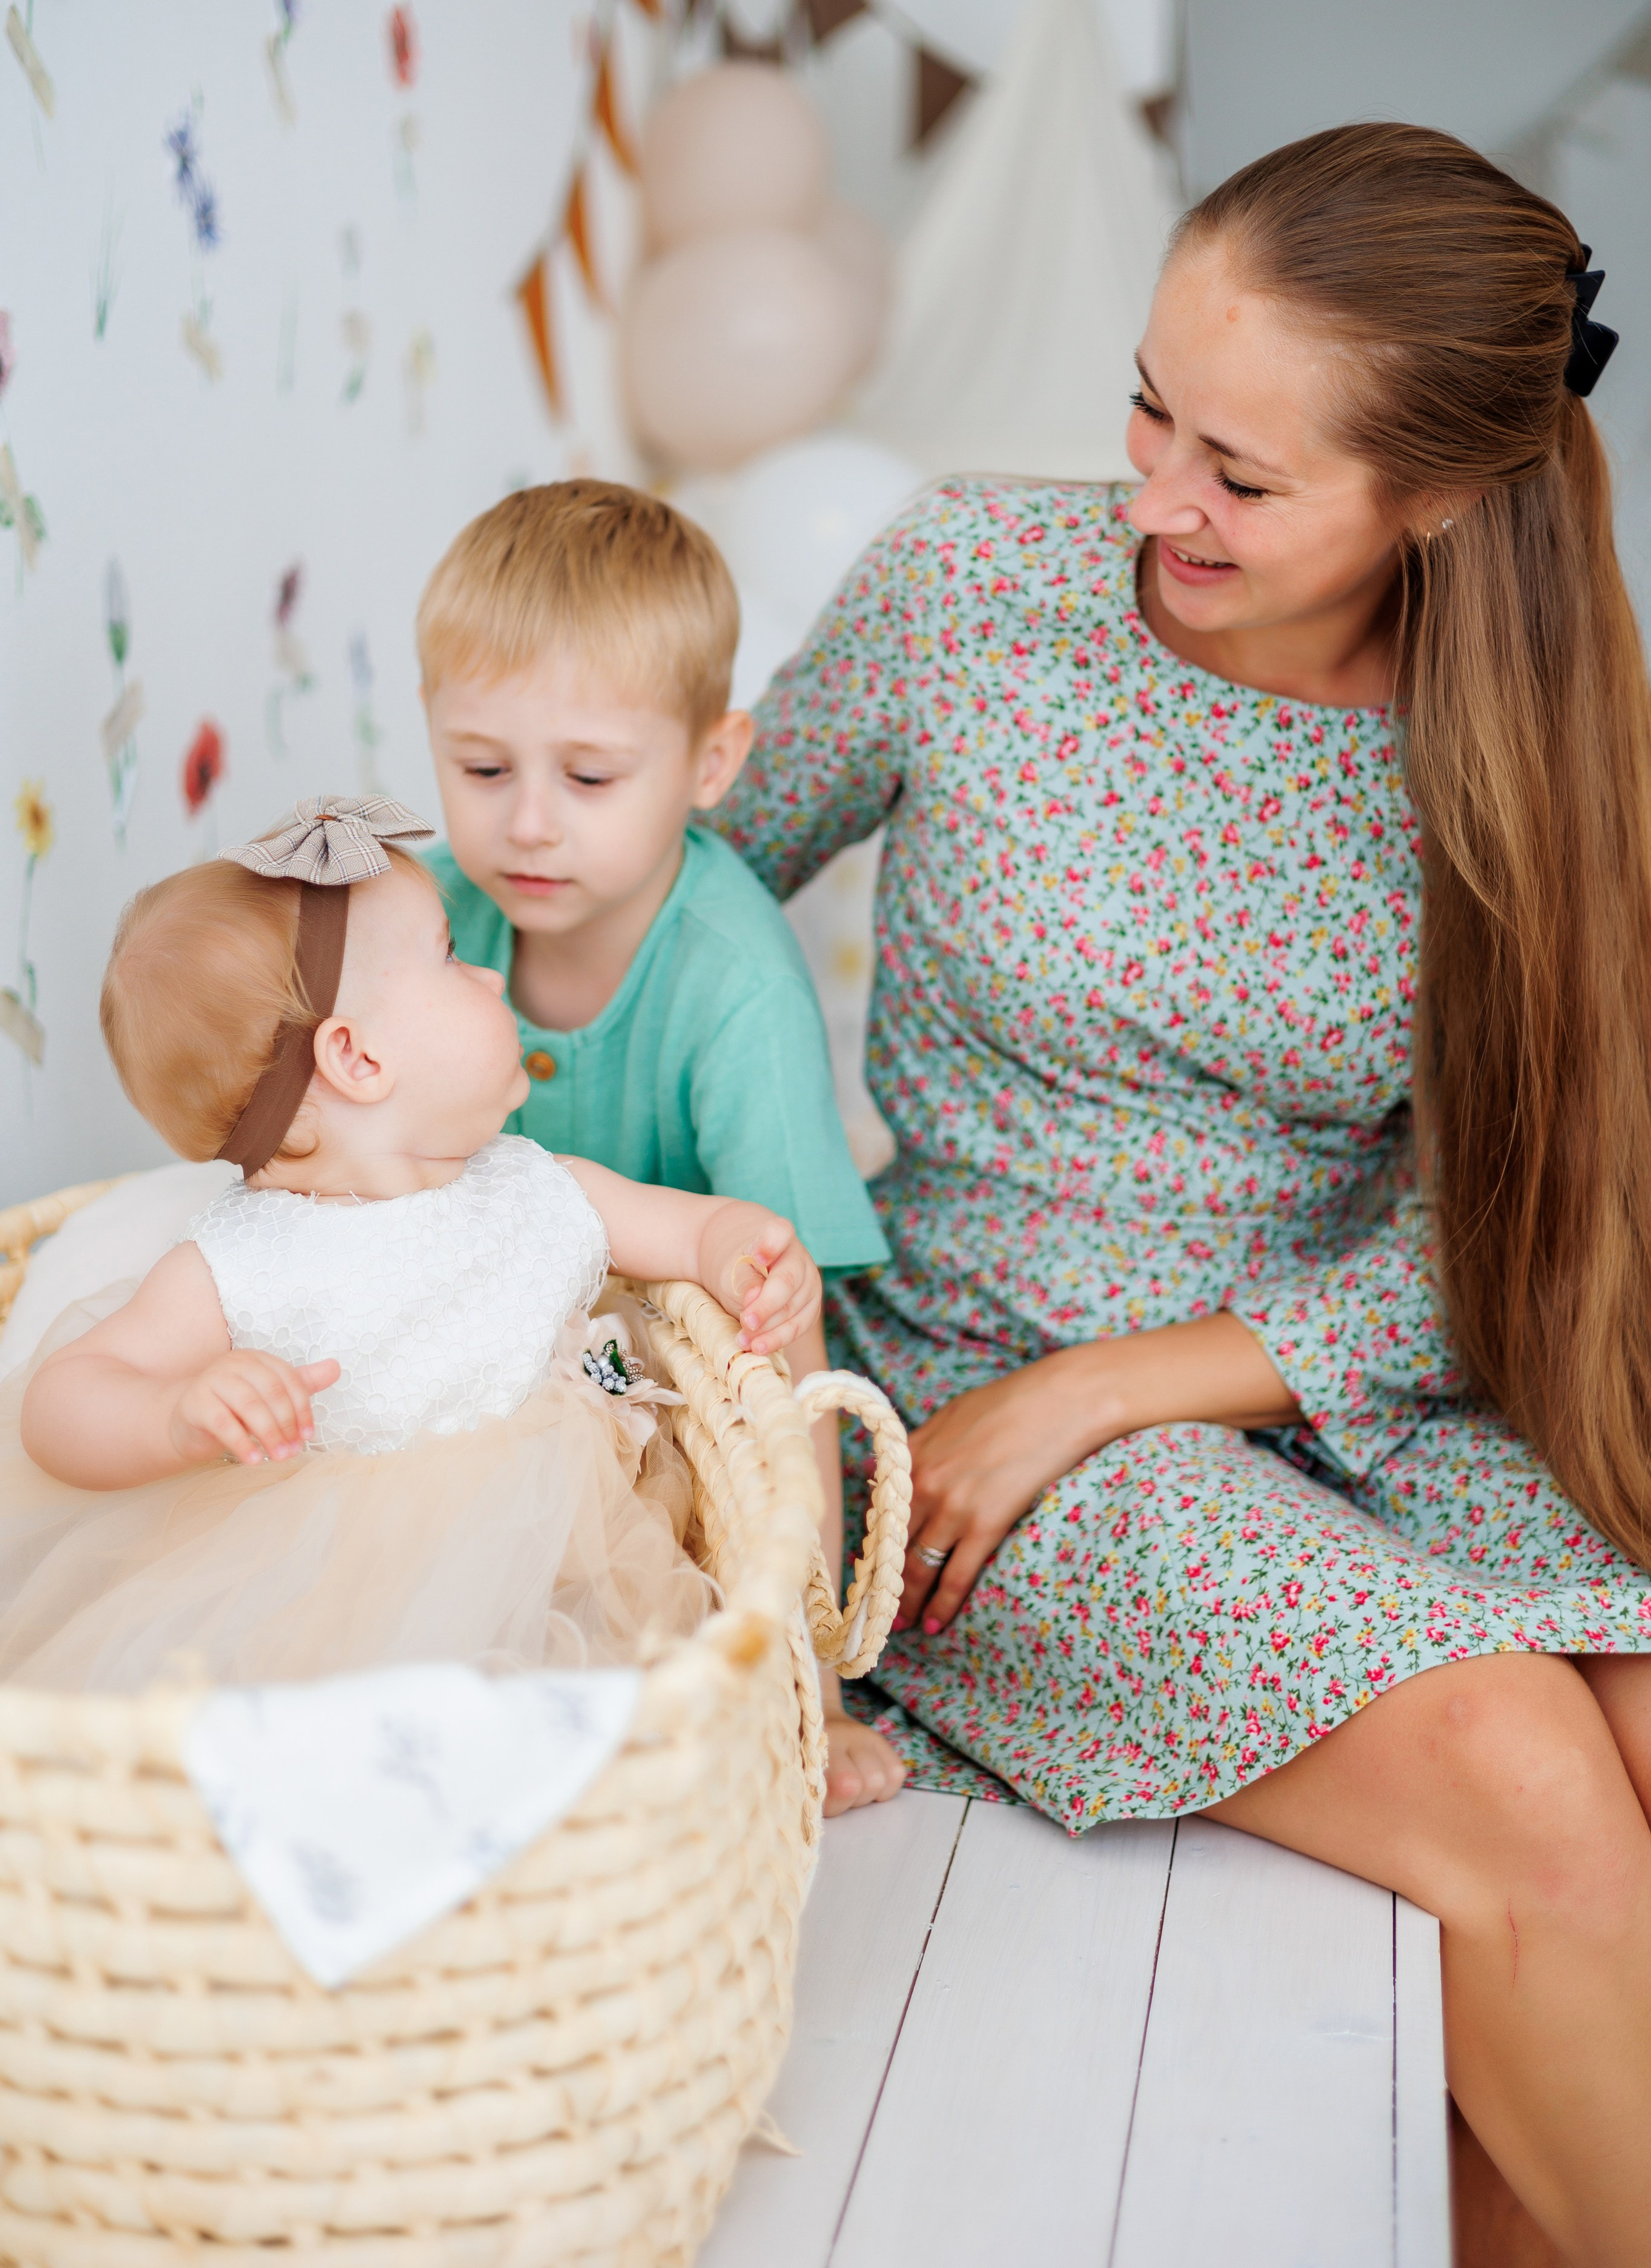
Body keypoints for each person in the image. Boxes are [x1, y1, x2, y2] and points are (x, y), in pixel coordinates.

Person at [717, 123, 1651, 2265]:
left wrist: (1143, 1381)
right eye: (1150, 404)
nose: (1154, 496)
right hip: (985, 1375)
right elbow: (675, 905)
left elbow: (1532, 1204)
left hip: (1369, 1376)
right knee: (1516, 1772)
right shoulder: (970, 594)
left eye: (1242, 470)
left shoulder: (1522, 729)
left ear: (1436, 498)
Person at [0, 796, 818, 1695]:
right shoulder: (245, 1261)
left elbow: (694, 1229)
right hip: (334, 1592)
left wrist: (748, 1254)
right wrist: (177, 1414)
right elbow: (61, 1406)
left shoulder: (538, 1185)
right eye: (454, 957)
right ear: (356, 1058)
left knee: (594, 1712)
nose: (494, 980)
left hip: (565, 1563)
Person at [417, 480, 902, 1814]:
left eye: (585, 778)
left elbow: (777, 1331)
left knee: (658, 1565)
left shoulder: (728, 980)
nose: (525, 822)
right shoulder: (435, 921)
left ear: (709, 764)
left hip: (689, 1358)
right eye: (478, 768)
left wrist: (813, 1661)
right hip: (502, 1324)